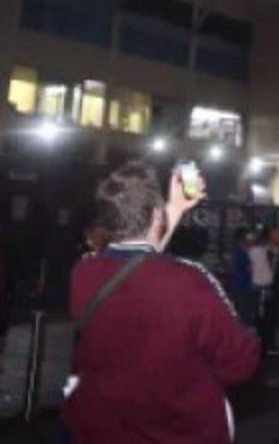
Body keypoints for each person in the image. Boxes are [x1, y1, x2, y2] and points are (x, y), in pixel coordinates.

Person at [64, 162, 260, 443]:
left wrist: (174, 209)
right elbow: (240, 363)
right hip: (177, 431)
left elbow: (138, 260)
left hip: (100, 428)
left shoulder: (84, 273)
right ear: (156, 216)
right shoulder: (190, 281)